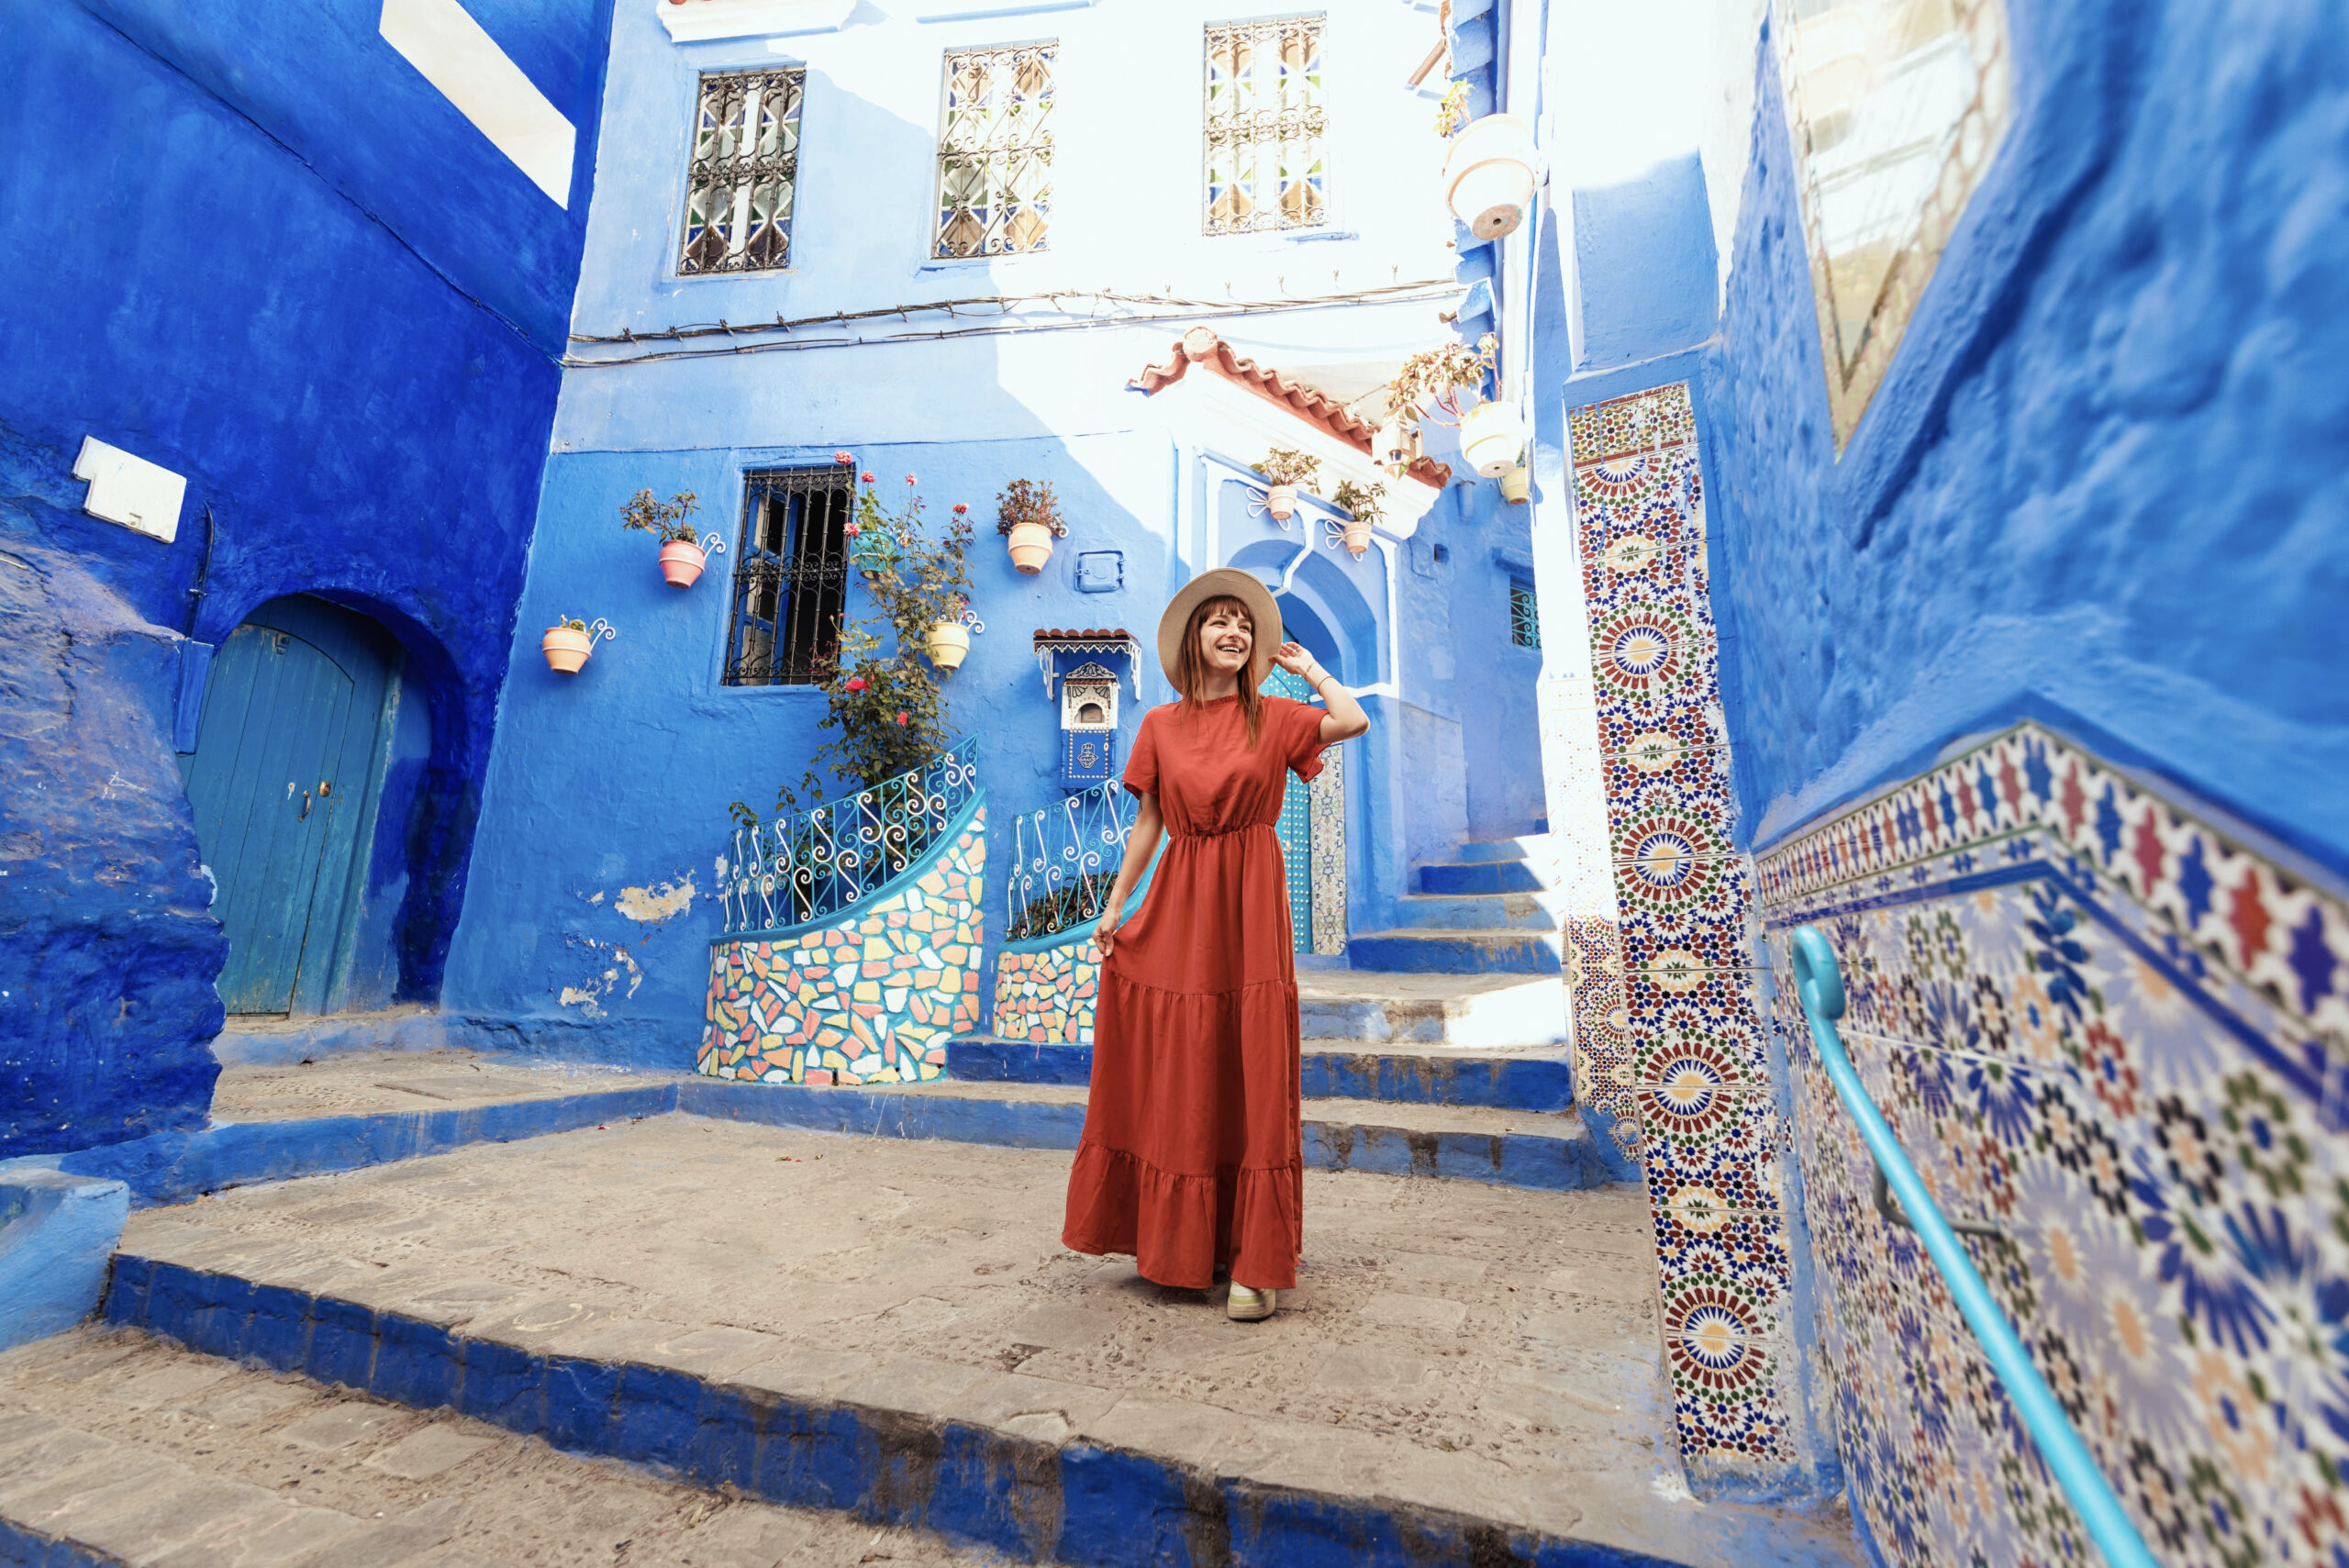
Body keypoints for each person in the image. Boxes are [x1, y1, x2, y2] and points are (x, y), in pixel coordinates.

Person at [1060, 568, 1371, 1321]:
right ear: (1194, 639)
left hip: (1251, 902)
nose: (1233, 632)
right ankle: (1180, 1243)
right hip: (1180, 901)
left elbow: (1354, 720)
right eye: (1218, 622)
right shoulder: (1160, 726)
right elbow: (1149, 825)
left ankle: (1256, 1264)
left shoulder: (1278, 717)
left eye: (1244, 624)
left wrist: (1310, 669)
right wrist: (1114, 905)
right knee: (1187, 1057)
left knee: (1251, 1060)